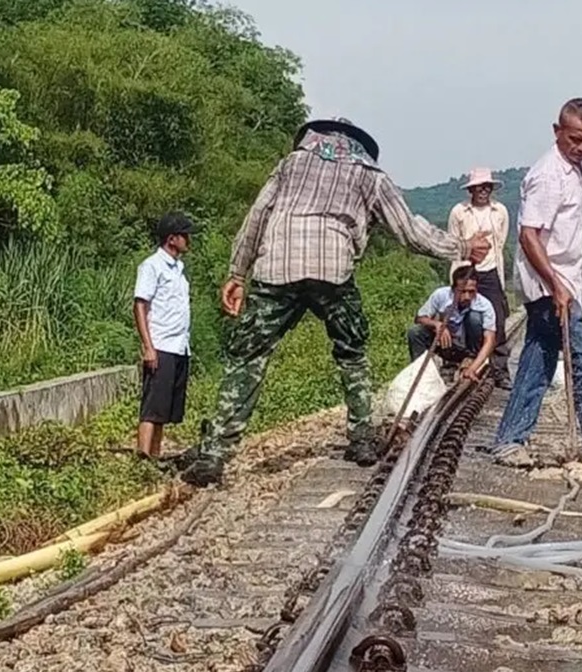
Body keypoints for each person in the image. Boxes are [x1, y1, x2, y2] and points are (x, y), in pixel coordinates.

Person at [181, 117, 491, 487]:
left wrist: (236, 273)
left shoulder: (291, 163)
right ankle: (361, 439)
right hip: (334, 270)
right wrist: (461, 247)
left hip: (277, 266)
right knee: (352, 352)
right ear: (358, 144)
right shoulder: (370, 174)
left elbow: (257, 216)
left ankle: (215, 454)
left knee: (248, 357)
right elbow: (409, 231)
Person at [490, 98, 582, 467]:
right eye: (575, 139)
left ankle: (510, 439)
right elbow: (528, 236)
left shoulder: (577, 168)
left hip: (565, 281)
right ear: (557, 132)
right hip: (550, 285)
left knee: (538, 358)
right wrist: (556, 286)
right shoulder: (548, 175)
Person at [133, 212, 195, 460]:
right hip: (161, 345)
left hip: (179, 346)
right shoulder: (152, 266)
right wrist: (149, 347)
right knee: (151, 409)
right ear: (172, 239)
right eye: (184, 236)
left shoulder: (179, 268)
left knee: (164, 411)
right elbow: (140, 305)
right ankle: (143, 458)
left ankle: (155, 458)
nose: (188, 240)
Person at [446, 168, 512, 389]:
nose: (484, 190)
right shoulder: (459, 212)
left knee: (498, 320)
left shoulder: (500, 211)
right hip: (466, 269)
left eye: (487, 186)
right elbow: (454, 243)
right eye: (479, 187)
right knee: (460, 316)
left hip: (491, 270)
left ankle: (499, 370)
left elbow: (500, 242)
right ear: (471, 190)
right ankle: (458, 360)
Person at [408, 265, 497, 382]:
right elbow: (419, 318)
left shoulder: (484, 305)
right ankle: (421, 374)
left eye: (471, 292)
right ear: (453, 289)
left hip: (468, 348)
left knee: (474, 317)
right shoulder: (441, 295)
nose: (467, 297)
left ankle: (471, 360)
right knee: (415, 332)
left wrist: (472, 369)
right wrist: (437, 324)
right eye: (462, 291)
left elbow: (489, 341)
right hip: (447, 345)